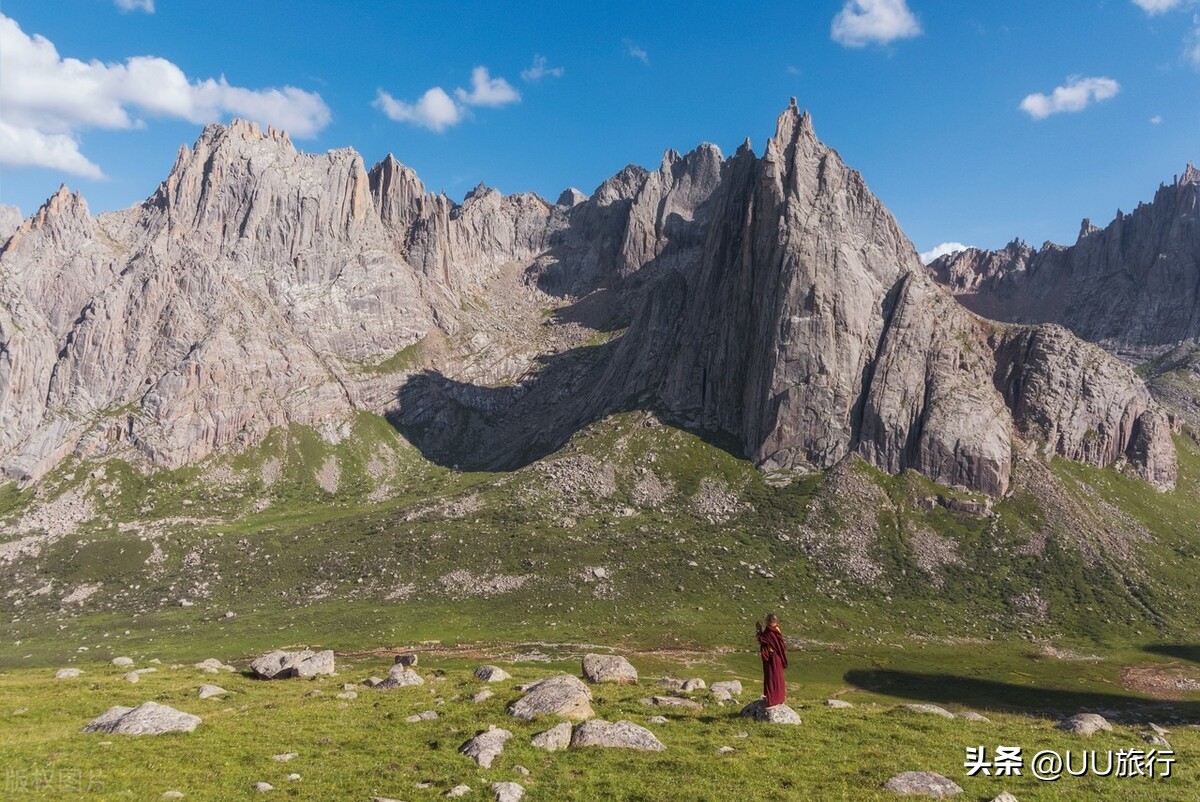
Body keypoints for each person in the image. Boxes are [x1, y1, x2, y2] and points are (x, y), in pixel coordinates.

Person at [755, 613, 788, 706]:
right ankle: (778, 697)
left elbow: (763, 640)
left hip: (773, 658)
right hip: (777, 657)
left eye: (766, 620)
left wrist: (758, 632)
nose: (766, 622)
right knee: (777, 677)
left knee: (772, 677)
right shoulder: (777, 629)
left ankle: (773, 698)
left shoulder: (770, 631)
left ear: (769, 621)